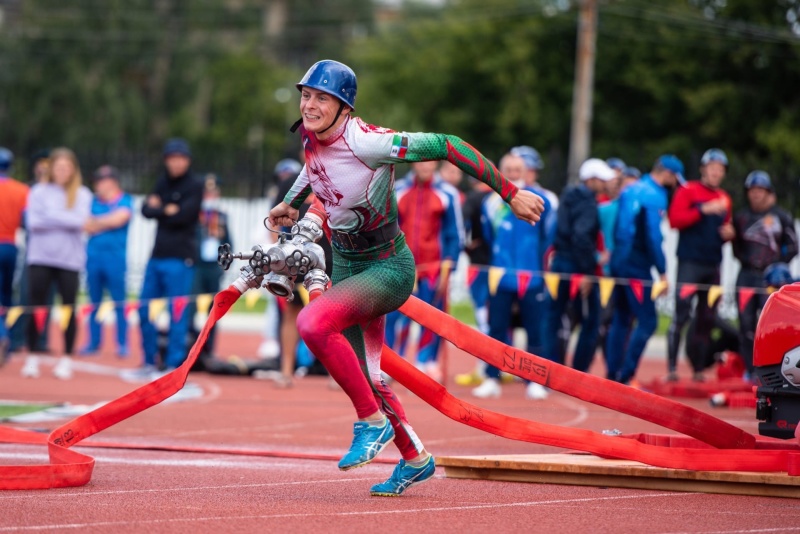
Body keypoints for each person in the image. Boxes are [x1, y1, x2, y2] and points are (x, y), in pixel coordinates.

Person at [268, 60, 544, 496]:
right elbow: (314, 170)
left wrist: (509, 193)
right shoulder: (310, 134)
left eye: (322, 97)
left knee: (312, 323)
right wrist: (289, 203)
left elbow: (450, 145)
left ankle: (371, 422)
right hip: (346, 262)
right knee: (368, 375)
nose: (310, 104)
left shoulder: (368, 141)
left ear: (345, 107)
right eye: (306, 94)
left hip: (388, 267)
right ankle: (415, 459)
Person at [471, 152, 552, 400]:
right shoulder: (491, 202)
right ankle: (492, 378)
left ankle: (535, 381)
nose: (515, 174)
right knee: (496, 329)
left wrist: (538, 265)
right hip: (500, 275)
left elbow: (548, 236)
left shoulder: (543, 199)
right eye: (510, 169)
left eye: (519, 169)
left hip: (532, 276)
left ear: (526, 171)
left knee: (535, 330)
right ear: (501, 171)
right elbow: (487, 234)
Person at [606, 155, 684, 385]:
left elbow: (617, 226)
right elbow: (652, 236)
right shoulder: (655, 194)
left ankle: (613, 374)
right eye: (674, 179)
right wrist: (662, 271)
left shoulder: (631, 188)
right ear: (667, 174)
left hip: (619, 260)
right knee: (648, 321)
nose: (674, 185)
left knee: (621, 317)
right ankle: (626, 376)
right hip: (636, 264)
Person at [385, 160, 463, 382]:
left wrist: (449, 266)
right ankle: (392, 363)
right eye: (420, 162)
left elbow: (454, 234)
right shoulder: (397, 189)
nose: (424, 166)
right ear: (413, 163)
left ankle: (426, 362)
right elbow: (387, 228)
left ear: (435, 164)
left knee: (432, 316)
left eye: (428, 162)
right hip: (401, 266)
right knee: (393, 315)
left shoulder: (448, 194)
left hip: (433, 268)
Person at [134, 138, 203, 379]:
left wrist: (160, 209)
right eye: (171, 158)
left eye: (180, 158)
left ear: (188, 161)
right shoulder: (161, 182)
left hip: (181, 258)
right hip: (157, 257)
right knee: (144, 310)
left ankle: (174, 365)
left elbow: (184, 216)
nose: (176, 163)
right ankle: (149, 360)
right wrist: (167, 209)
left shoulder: (195, 184)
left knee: (177, 313)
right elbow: (144, 210)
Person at [20, 148, 92, 379]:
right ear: (51, 168)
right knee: (36, 306)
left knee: (68, 308)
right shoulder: (38, 191)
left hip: (70, 259)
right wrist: (66, 219)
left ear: (73, 170)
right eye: (58, 167)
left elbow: (81, 222)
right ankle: (32, 356)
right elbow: (33, 223)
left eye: (67, 168)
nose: (62, 172)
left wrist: (50, 216)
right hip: (40, 257)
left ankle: (67, 358)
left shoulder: (82, 194)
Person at [541, 158, 615, 373]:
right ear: (591, 180)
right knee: (592, 320)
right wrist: (588, 271)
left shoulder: (567, 196)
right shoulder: (589, 203)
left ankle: (547, 366)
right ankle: (579, 370)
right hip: (578, 267)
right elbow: (581, 237)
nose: (605, 185)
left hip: (561, 262)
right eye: (602, 180)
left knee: (553, 316)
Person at [667, 148, 734, 382]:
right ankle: (672, 369)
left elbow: (725, 229)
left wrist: (729, 234)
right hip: (690, 263)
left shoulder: (725, 198)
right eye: (712, 167)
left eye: (720, 169)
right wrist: (703, 210)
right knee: (681, 315)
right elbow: (675, 220)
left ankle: (697, 369)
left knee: (706, 319)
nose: (716, 172)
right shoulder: (688, 191)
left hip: (712, 264)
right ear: (704, 169)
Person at [732, 171, 798, 378]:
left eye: (760, 190)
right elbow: (737, 248)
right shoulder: (741, 217)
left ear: (768, 192)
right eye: (752, 190)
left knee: (770, 325)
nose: (756, 194)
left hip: (771, 279)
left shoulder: (781, 216)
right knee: (745, 324)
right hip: (746, 275)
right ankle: (749, 370)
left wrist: (778, 265)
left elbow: (793, 246)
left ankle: (770, 372)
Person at [81, 165, 133, 357]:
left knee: (119, 302)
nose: (98, 185)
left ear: (113, 182)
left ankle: (122, 343)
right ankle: (93, 342)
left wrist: (97, 222)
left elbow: (119, 219)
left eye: (102, 181)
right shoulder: (92, 201)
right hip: (94, 258)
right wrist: (106, 221)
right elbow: (85, 225)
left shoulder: (125, 200)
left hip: (115, 260)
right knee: (93, 302)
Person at [258, 159, 304, 361]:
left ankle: (335, 374)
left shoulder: (338, 179)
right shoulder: (291, 183)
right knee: (291, 313)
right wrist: (278, 252)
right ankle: (286, 369)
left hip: (330, 257)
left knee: (337, 316)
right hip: (295, 258)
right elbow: (274, 222)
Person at [0, 148, 29, 366]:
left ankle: (2, 336)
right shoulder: (21, 190)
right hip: (10, 246)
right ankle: (7, 337)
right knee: (7, 295)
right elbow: (26, 222)